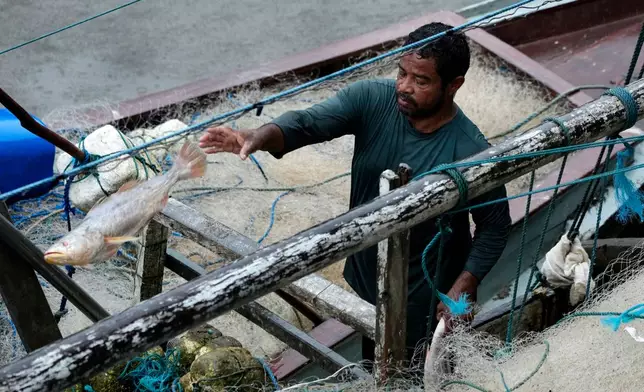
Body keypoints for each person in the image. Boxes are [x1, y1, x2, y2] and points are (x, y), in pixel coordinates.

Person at [199, 22, 511, 373]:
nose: (404, 88)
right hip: (365, 282)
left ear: (454, 85)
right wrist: (256, 135)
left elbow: (495, 227)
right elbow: (306, 124)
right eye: (402, 73)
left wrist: (464, 286)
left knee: (417, 375)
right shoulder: (372, 99)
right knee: (371, 363)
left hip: (426, 301)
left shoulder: (470, 150)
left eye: (421, 81)